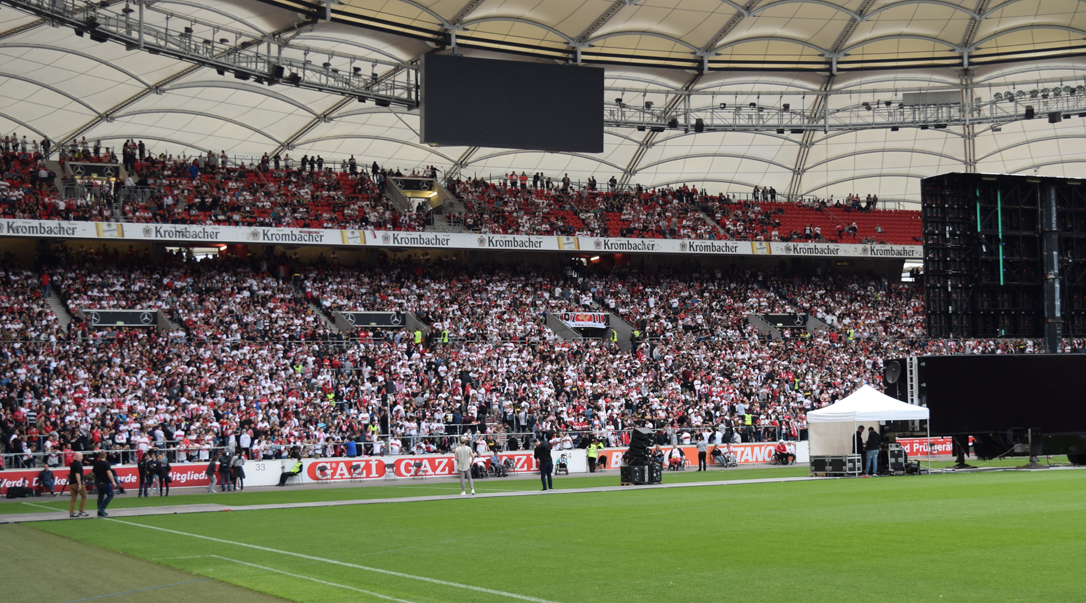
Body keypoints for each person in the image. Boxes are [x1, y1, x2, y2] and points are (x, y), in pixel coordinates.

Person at [92, 451, 117, 517]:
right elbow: (109, 472)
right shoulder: (106, 463)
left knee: (101, 496)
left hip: (98, 481)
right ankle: (101, 508)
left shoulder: (96, 463)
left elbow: (94, 473)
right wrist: (113, 481)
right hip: (105, 482)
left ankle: (99, 511)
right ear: (105, 456)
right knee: (110, 495)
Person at [68, 452, 88, 518]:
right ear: (78, 457)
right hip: (76, 483)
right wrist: (79, 484)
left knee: (73, 499)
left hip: (72, 482)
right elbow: (77, 474)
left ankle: (72, 512)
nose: (82, 457)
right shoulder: (78, 464)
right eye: (81, 456)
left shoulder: (73, 463)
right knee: (84, 496)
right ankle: (81, 511)